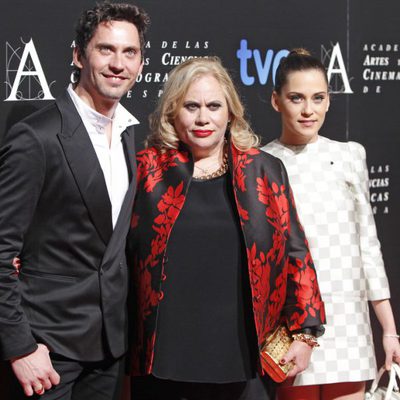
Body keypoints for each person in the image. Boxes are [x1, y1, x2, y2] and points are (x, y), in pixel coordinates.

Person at [126, 57, 326, 400]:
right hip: (164, 357)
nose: (203, 118)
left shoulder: (263, 170)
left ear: (230, 113)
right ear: (173, 111)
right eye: (191, 106)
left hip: (246, 356)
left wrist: (306, 333)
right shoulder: (146, 170)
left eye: (214, 106)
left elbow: (295, 251)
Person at [0, 2, 149, 399]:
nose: (118, 63)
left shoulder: (131, 135)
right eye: (105, 49)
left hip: (109, 348)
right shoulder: (37, 137)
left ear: (140, 62)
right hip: (45, 353)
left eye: (129, 52)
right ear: (78, 54)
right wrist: (19, 347)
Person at [262, 48, 400, 400]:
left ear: (328, 101)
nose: (308, 110)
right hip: (291, 321)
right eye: (296, 98)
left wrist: (388, 329)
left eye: (318, 98)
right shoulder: (261, 163)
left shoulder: (350, 155)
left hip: (349, 320)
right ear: (276, 101)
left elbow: (368, 244)